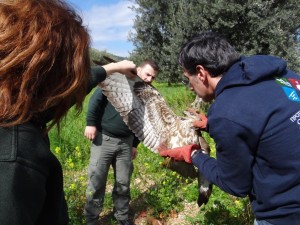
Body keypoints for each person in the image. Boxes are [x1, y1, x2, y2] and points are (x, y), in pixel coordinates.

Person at [0, 1, 137, 225]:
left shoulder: (16, 107)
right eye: (70, 73)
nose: (72, 85)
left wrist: (112, 68)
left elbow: (66, 93)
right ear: (46, 74)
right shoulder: (15, 159)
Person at [158, 31, 300, 225]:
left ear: (201, 73)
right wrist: (211, 125)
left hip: (287, 214)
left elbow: (236, 185)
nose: (190, 87)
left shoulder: (227, 110)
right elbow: (270, 120)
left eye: (188, 78)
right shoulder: (285, 76)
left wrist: (194, 155)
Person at [84, 59, 160, 225]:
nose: (149, 79)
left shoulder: (145, 94)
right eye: (147, 74)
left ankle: (122, 217)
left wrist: (134, 145)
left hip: (125, 143)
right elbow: (95, 100)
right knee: (96, 182)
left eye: (152, 78)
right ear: (138, 69)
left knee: (123, 183)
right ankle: (92, 219)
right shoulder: (118, 81)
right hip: (104, 139)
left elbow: (142, 121)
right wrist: (90, 123)